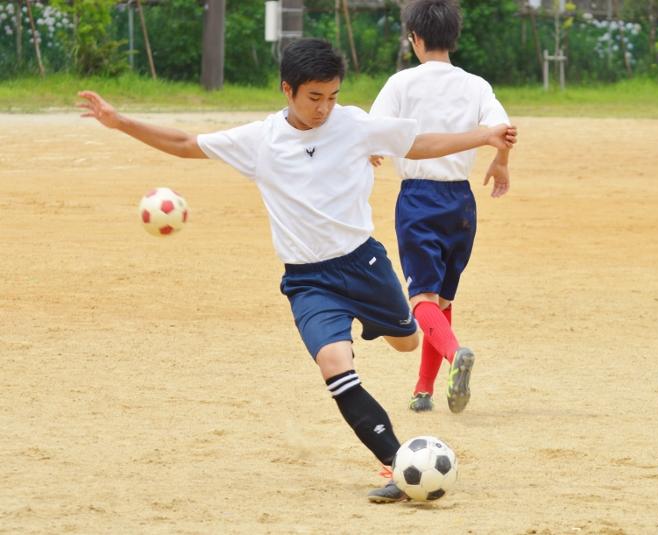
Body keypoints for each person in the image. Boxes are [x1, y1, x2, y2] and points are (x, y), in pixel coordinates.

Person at [77, 38, 516, 503]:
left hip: (364, 264)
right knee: (335, 368)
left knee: (407, 342)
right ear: (287, 89)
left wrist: (482, 136)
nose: (324, 108)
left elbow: (418, 142)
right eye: (314, 97)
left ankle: (395, 331)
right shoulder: (261, 140)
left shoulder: (353, 124)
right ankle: (397, 462)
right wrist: (120, 122)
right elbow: (186, 144)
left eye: (333, 96)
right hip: (309, 281)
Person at [369, 0, 512, 414]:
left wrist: (373, 150)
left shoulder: (402, 83)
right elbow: (503, 130)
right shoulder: (476, 85)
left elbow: (374, 131)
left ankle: (455, 355)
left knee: (422, 299)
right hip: (462, 204)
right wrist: (501, 163)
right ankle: (423, 389)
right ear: (454, 37)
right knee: (441, 302)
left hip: (419, 199)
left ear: (414, 38)